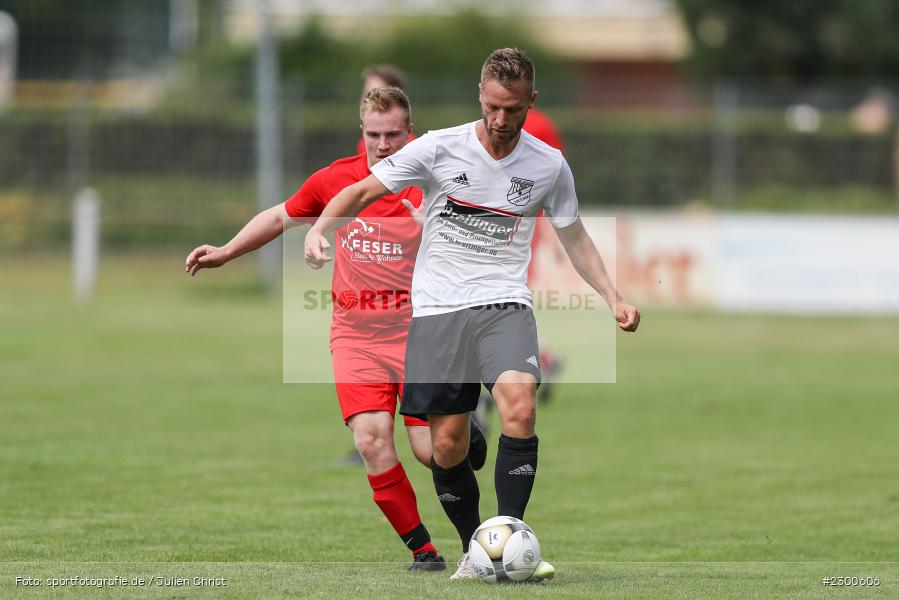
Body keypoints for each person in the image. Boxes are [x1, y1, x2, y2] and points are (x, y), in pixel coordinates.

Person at [303, 48, 641, 581]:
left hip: (503, 303)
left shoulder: (547, 164)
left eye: (513, 109)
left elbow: (573, 233)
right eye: (491, 108)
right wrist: (321, 228)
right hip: (438, 310)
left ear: (532, 101)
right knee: (444, 446)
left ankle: (510, 536)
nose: (501, 121)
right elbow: (364, 188)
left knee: (521, 406)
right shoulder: (440, 148)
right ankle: (474, 550)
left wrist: (612, 295)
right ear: (479, 98)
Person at [184, 87, 486, 571]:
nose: (384, 144)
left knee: (435, 453)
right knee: (370, 440)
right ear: (361, 132)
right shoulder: (338, 180)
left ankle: (471, 482)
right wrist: (225, 251)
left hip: (420, 329)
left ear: (411, 131)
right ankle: (424, 551)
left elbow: (484, 234)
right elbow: (280, 216)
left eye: (393, 134)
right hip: (357, 335)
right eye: (374, 135)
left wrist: (437, 222)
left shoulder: (436, 179)